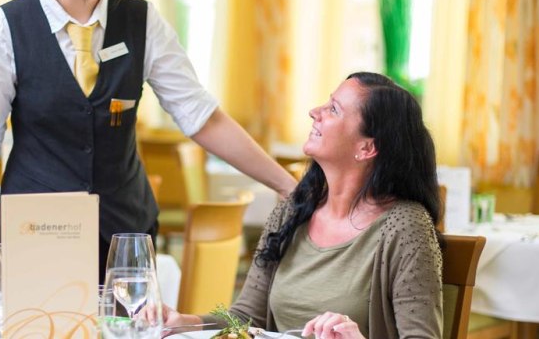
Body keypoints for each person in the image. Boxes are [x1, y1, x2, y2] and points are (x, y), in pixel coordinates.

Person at [0, 0, 297, 303]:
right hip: (37, 234)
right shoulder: (6, 29)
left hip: (125, 239)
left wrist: (285, 184)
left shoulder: (142, 22)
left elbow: (202, 117)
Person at [162, 72, 443, 338]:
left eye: (333, 109)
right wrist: (184, 322)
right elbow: (247, 317)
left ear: (367, 148)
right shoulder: (292, 212)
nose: (314, 112)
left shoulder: (406, 227)